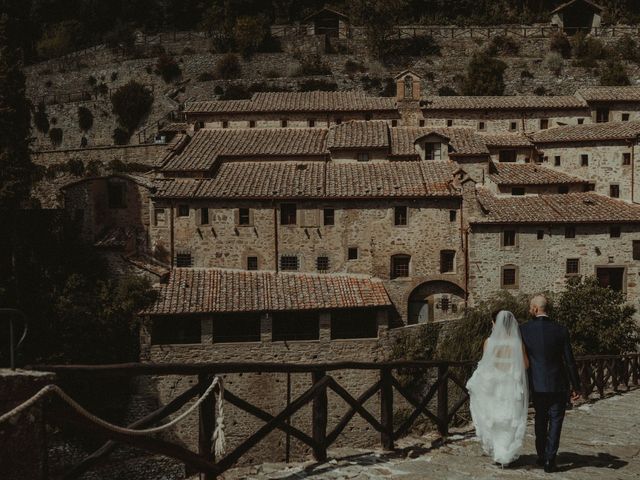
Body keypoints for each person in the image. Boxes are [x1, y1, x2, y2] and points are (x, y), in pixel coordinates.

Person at [520, 294, 581, 473]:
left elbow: (521, 358)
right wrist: (576, 386)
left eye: (531, 307)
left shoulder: (524, 329)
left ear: (536, 309)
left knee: (540, 419)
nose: (530, 309)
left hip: (536, 383)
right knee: (556, 421)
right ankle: (550, 460)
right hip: (558, 383)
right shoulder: (561, 329)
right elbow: (569, 360)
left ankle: (541, 455)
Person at [466, 310, 529, 466]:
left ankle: (498, 453)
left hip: (495, 386)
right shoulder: (517, 342)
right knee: (509, 419)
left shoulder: (489, 342)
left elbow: (486, 365)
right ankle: (506, 454)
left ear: (495, 323)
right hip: (512, 386)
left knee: (495, 419)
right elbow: (526, 365)